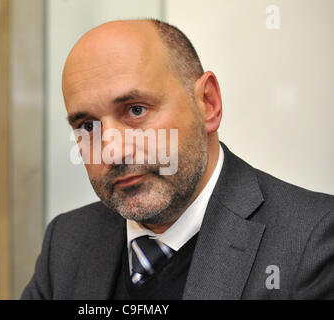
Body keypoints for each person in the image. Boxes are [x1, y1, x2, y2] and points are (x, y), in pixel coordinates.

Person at [21, 19, 334, 299]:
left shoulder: (311, 240)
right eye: (87, 126)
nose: (112, 152)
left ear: (207, 104)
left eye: (136, 110)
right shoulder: (67, 241)